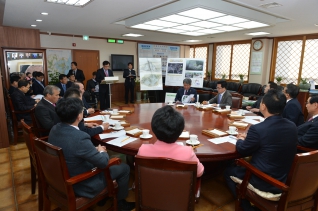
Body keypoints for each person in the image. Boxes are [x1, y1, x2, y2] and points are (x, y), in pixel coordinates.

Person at [48, 98, 135, 210]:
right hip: (81, 184)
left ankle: (105, 198)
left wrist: (93, 150)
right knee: (123, 167)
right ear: (79, 116)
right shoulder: (79, 137)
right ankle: (120, 204)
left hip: (58, 179)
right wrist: (102, 151)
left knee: (113, 158)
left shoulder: (55, 128)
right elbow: (103, 163)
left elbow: (73, 149)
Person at [224, 89, 298, 211]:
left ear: (263, 106)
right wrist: (251, 139)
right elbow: (272, 140)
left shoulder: (258, 129)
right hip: (285, 178)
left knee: (228, 172)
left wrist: (240, 140)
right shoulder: (292, 126)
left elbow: (243, 149)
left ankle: (246, 206)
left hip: (265, 182)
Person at [137, 105, 204, 177]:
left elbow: (138, 169)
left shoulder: (143, 150)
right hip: (178, 188)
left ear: (153, 128)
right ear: (180, 131)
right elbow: (199, 172)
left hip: (150, 187)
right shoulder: (187, 152)